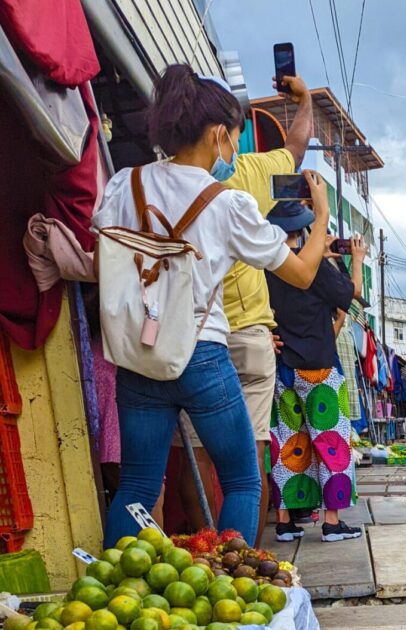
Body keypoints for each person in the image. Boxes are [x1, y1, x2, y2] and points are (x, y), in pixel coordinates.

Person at [93, 64, 331, 547]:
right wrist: (322, 216)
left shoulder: (124, 184)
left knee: (137, 486)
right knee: (242, 479)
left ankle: (120, 595)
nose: (233, 154)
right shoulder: (227, 203)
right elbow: (303, 273)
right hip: (203, 355)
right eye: (235, 142)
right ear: (220, 135)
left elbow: (100, 250)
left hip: (139, 355)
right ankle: (238, 593)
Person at [173, 73, 314, 545]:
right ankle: (243, 560)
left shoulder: (154, 182)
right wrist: (304, 101)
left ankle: (206, 553)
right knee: (249, 454)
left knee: (198, 454)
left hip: (187, 340)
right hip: (250, 337)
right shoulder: (247, 179)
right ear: (221, 135)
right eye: (234, 137)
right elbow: (295, 148)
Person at [265, 200, 368, 543]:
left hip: (283, 370)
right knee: (331, 442)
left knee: (289, 444)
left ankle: (284, 522)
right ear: (304, 230)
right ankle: (332, 521)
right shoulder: (314, 269)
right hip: (319, 369)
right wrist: (355, 261)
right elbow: (351, 293)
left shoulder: (268, 265)